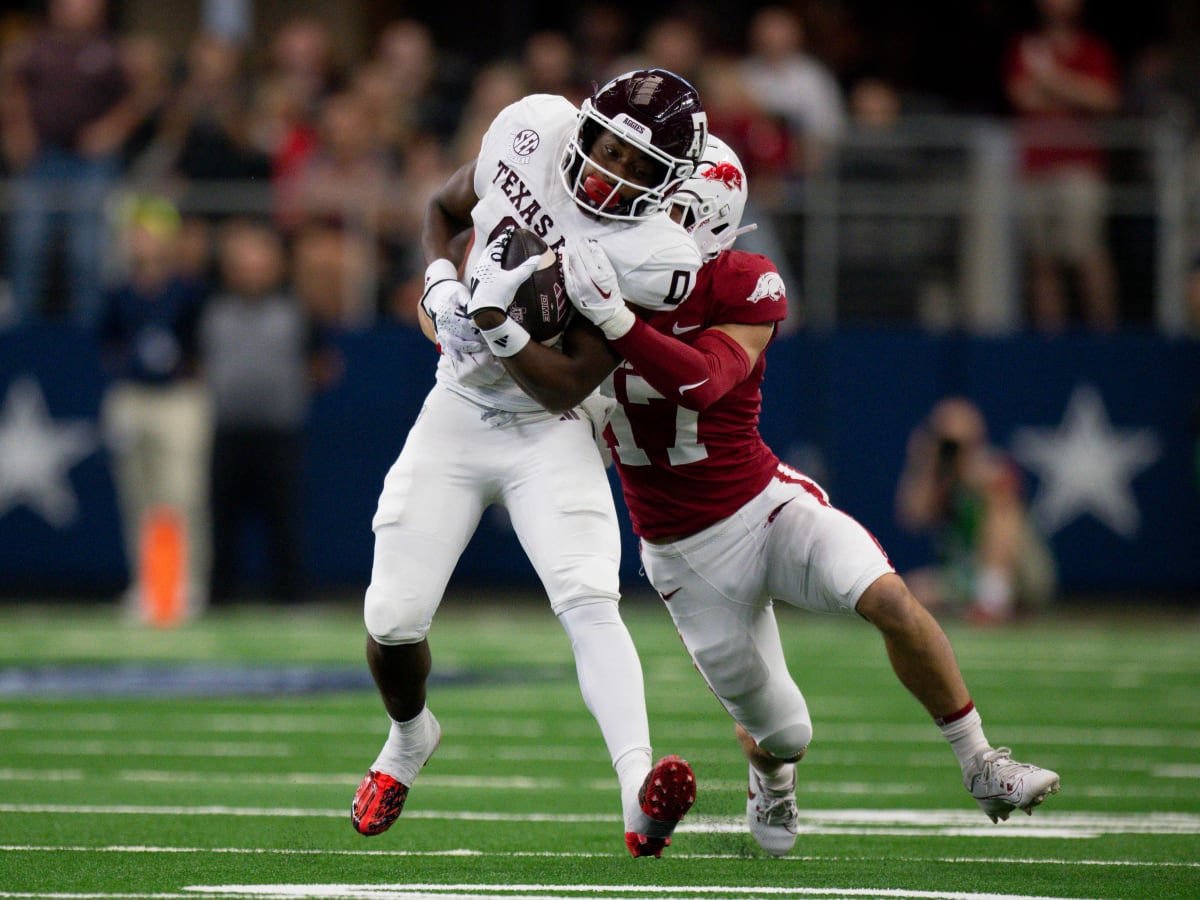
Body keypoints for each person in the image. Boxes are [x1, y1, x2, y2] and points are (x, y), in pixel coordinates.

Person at [459, 136, 1061, 857]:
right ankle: (771, 782)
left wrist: (617, 319)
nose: (638, 212)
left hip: (764, 506)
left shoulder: (742, 280)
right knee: (786, 733)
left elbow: (706, 380)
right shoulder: (583, 281)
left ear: (702, 219)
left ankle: (981, 762)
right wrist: (483, 314)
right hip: (683, 555)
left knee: (891, 600)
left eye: (663, 200)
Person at [351, 69, 709, 858]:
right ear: (582, 126)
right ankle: (409, 737)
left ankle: (638, 793)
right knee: (391, 621)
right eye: (610, 146)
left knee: (590, 601)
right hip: (455, 409)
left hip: (552, 426)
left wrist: (499, 325)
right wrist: (441, 283)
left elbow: (574, 379)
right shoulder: (532, 128)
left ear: (667, 185)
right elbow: (444, 210)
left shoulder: (651, 253)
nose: (614, 169)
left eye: (639, 166)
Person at [198, 219, 340, 605]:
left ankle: (291, 597)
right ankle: (217, 598)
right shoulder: (210, 307)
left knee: (284, 522)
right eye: (243, 262)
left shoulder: (297, 310)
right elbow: (189, 361)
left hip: (279, 433)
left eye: (258, 261)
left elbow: (324, 364)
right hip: (226, 431)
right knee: (220, 522)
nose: (251, 270)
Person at [97, 195, 212, 621]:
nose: (142, 241)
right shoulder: (120, 292)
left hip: (179, 399)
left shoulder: (187, 290)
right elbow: (105, 344)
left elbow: (202, 345)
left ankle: (186, 585)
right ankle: (149, 585)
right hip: (132, 397)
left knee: (181, 495)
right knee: (139, 497)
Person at [1, 0, 142, 327]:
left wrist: (112, 129)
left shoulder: (111, 51)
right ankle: (22, 336)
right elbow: (14, 90)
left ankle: (86, 337)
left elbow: (137, 99)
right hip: (41, 161)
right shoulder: (33, 48)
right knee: (27, 244)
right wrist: (18, 131)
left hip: (90, 165)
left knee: (86, 252)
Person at [1003, 0, 1121, 332]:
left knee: (1088, 254)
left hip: (1079, 168)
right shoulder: (1024, 47)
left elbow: (1105, 99)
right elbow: (1023, 97)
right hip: (1034, 167)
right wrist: (1075, 91)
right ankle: (1050, 348)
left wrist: (1051, 80)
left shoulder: (1094, 50)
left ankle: (1106, 343)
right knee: (1042, 261)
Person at [895, 396, 1057, 624]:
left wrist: (969, 474)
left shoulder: (992, 470)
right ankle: (978, 602)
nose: (952, 450)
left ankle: (992, 600)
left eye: (958, 443)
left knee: (1000, 510)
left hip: (1019, 575)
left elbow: (1004, 525)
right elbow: (913, 517)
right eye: (946, 442)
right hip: (966, 574)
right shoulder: (939, 479)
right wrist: (923, 464)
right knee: (907, 593)